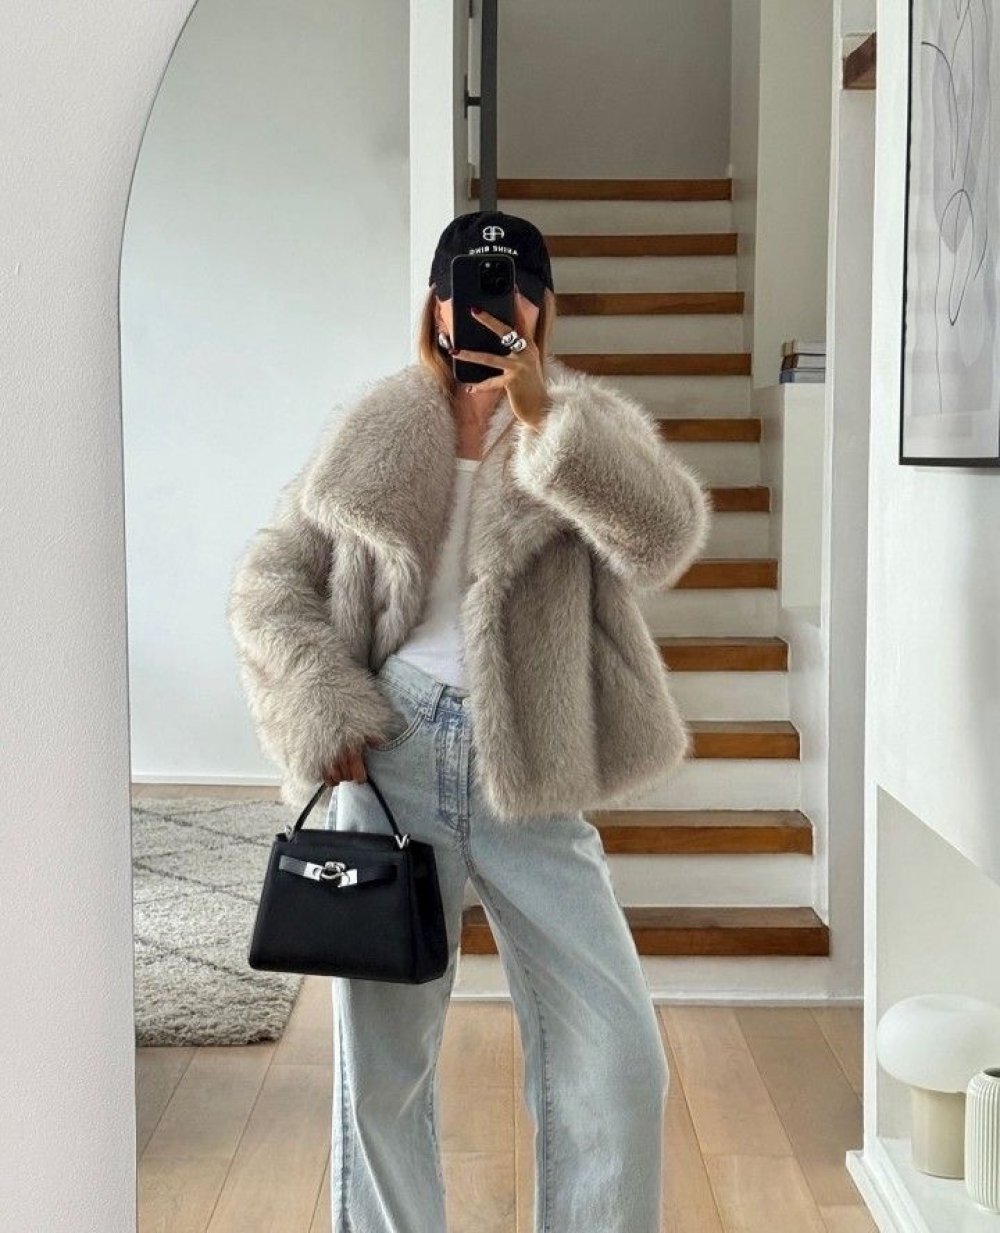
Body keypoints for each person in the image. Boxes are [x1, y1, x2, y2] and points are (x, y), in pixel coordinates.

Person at [226, 209, 713, 1233]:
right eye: (471, 286)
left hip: (529, 762)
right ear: (439, 306)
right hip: (390, 756)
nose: (493, 305)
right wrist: (324, 707)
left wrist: (546, 424)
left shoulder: (580, 425)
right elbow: (271, 582)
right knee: (383, 1069)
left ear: (541, 305)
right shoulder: (372, 428)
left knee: (618, 1057)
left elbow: (663, 538)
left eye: (514, 286)